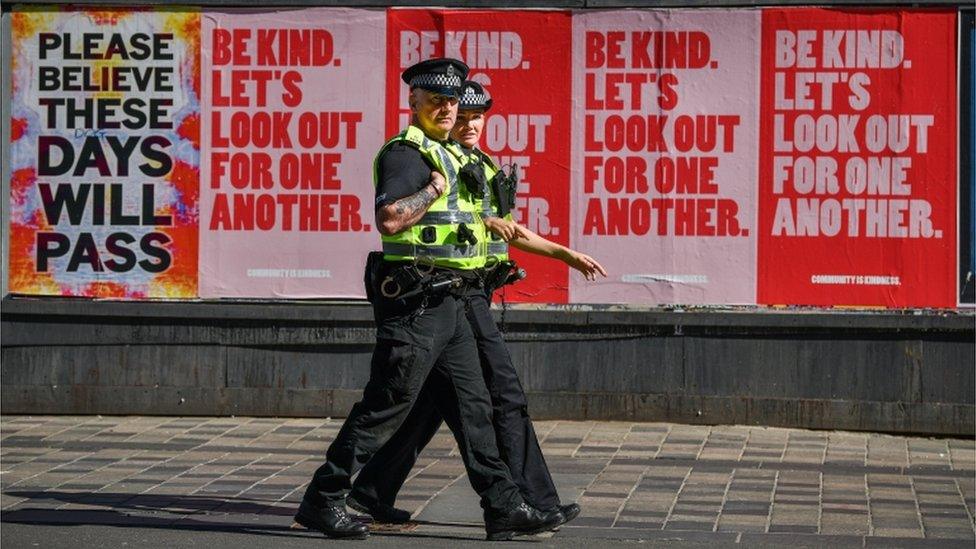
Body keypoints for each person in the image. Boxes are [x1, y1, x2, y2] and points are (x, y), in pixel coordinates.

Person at [294, 59, 562, 541]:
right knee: (388, 402)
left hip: (453, 299)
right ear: (413, 102)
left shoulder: (451, 152)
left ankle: (503, 507)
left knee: (473, 405)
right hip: (417, 299)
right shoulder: (407, 153)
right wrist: (432, 189)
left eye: (451, 100)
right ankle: (324, 499)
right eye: (434, 99)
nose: (445, 108)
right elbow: (390, 219)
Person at [347, 80, 607, 528]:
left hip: (466, 292)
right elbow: (409, 216)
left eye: (474, 117)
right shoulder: (424, 156)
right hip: (450, 294)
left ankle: (370, 492)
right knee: (499, 397)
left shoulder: (477, 163)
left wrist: (563, 254)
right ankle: (528, 501)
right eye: (458, 116)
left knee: (431, 404)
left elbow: (504, 227)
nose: (466, 124)